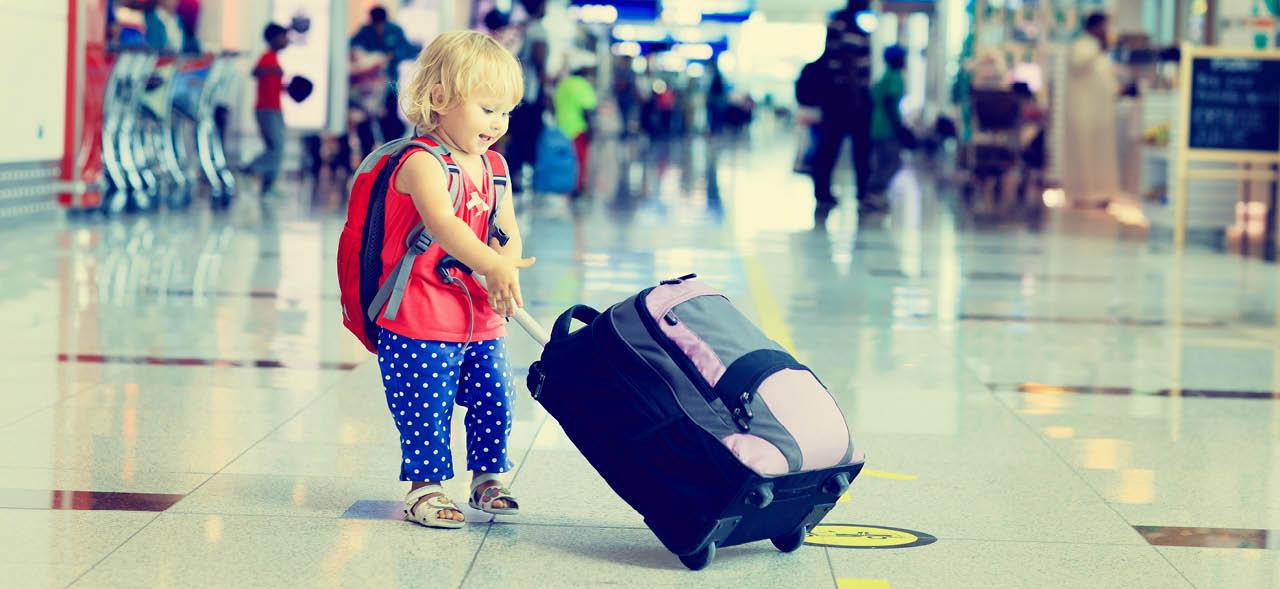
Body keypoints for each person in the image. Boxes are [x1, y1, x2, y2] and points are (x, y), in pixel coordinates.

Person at [387, 30, 534, 528]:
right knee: (426, 404)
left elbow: (506, 229)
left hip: (479, 313)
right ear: (439, 99)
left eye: (505, 112)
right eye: (488, 108)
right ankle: (424, 488)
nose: (498, 123)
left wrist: (505, 262)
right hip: (420, 314)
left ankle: (487, 476)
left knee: (495, 393)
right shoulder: (420, 162)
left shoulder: (495, 166)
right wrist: (490, 264)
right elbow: (444, 225)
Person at [808, 0, 883, 221]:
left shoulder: (847, 24)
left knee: (839, 145)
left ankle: (841, 192)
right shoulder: (844, 25)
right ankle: (836, 192)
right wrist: (858, 98)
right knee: (844, 146)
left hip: (846, 97)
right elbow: (848, 61)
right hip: (845, 98)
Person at [1063, 11, 1121, 207]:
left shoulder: (1101, 50)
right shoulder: (1081, 46)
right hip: (1083, 112)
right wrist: (1099, 47)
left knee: (1101, 156)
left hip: (1101, 114)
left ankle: (1101, 193)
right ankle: (1083, 194)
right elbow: (1079, 63)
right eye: (1104, 26)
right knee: (1084, 154)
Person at [351, 6, 420, 154]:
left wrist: (392, 55)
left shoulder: (395, 31)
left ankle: (390, 151)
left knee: (390, 122)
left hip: (389, 86)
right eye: (375, 24)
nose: (378, 27)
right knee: (365, 122)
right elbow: (353, 50)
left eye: (381, 24)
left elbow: (409, 51)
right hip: (367, 90)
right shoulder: (364, 33)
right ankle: (367, 155)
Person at [504, 0, 550, 193]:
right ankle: (520, 176)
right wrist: (545, 87)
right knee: (527, 136)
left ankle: (511, 174)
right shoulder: (538, 29)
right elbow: (539, 58)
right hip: (531, 93)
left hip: (518, 89)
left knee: (514, 135)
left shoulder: (523, 28)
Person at [245, 24, 289, 197]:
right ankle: (249, 169)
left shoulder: (274, 58)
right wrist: (271, 70)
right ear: (274, 38)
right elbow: (255, 72)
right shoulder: (267, 57)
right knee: (276, 148)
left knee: (277, 147)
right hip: (266, 109)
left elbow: (272, 83)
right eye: (283, 36)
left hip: (275, 109)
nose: (286, 40)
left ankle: (268, 187)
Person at [866, 45, 913, 198]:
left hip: (878, 126)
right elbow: (889, 102)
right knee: (891, 163)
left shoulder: (885, 75)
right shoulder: (894, 77)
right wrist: (898, 127)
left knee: (884, 162)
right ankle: (874, 192)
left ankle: (874, 192)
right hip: (887, 128)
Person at [554, 56, 598, 197]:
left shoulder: (563, 84)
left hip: (561, 130)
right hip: (578, 130)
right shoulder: (583, 85)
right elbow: (587, 110)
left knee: (563, 160)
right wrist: (591, 130)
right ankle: (577, 188)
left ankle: (562, 185)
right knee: (579, 161)